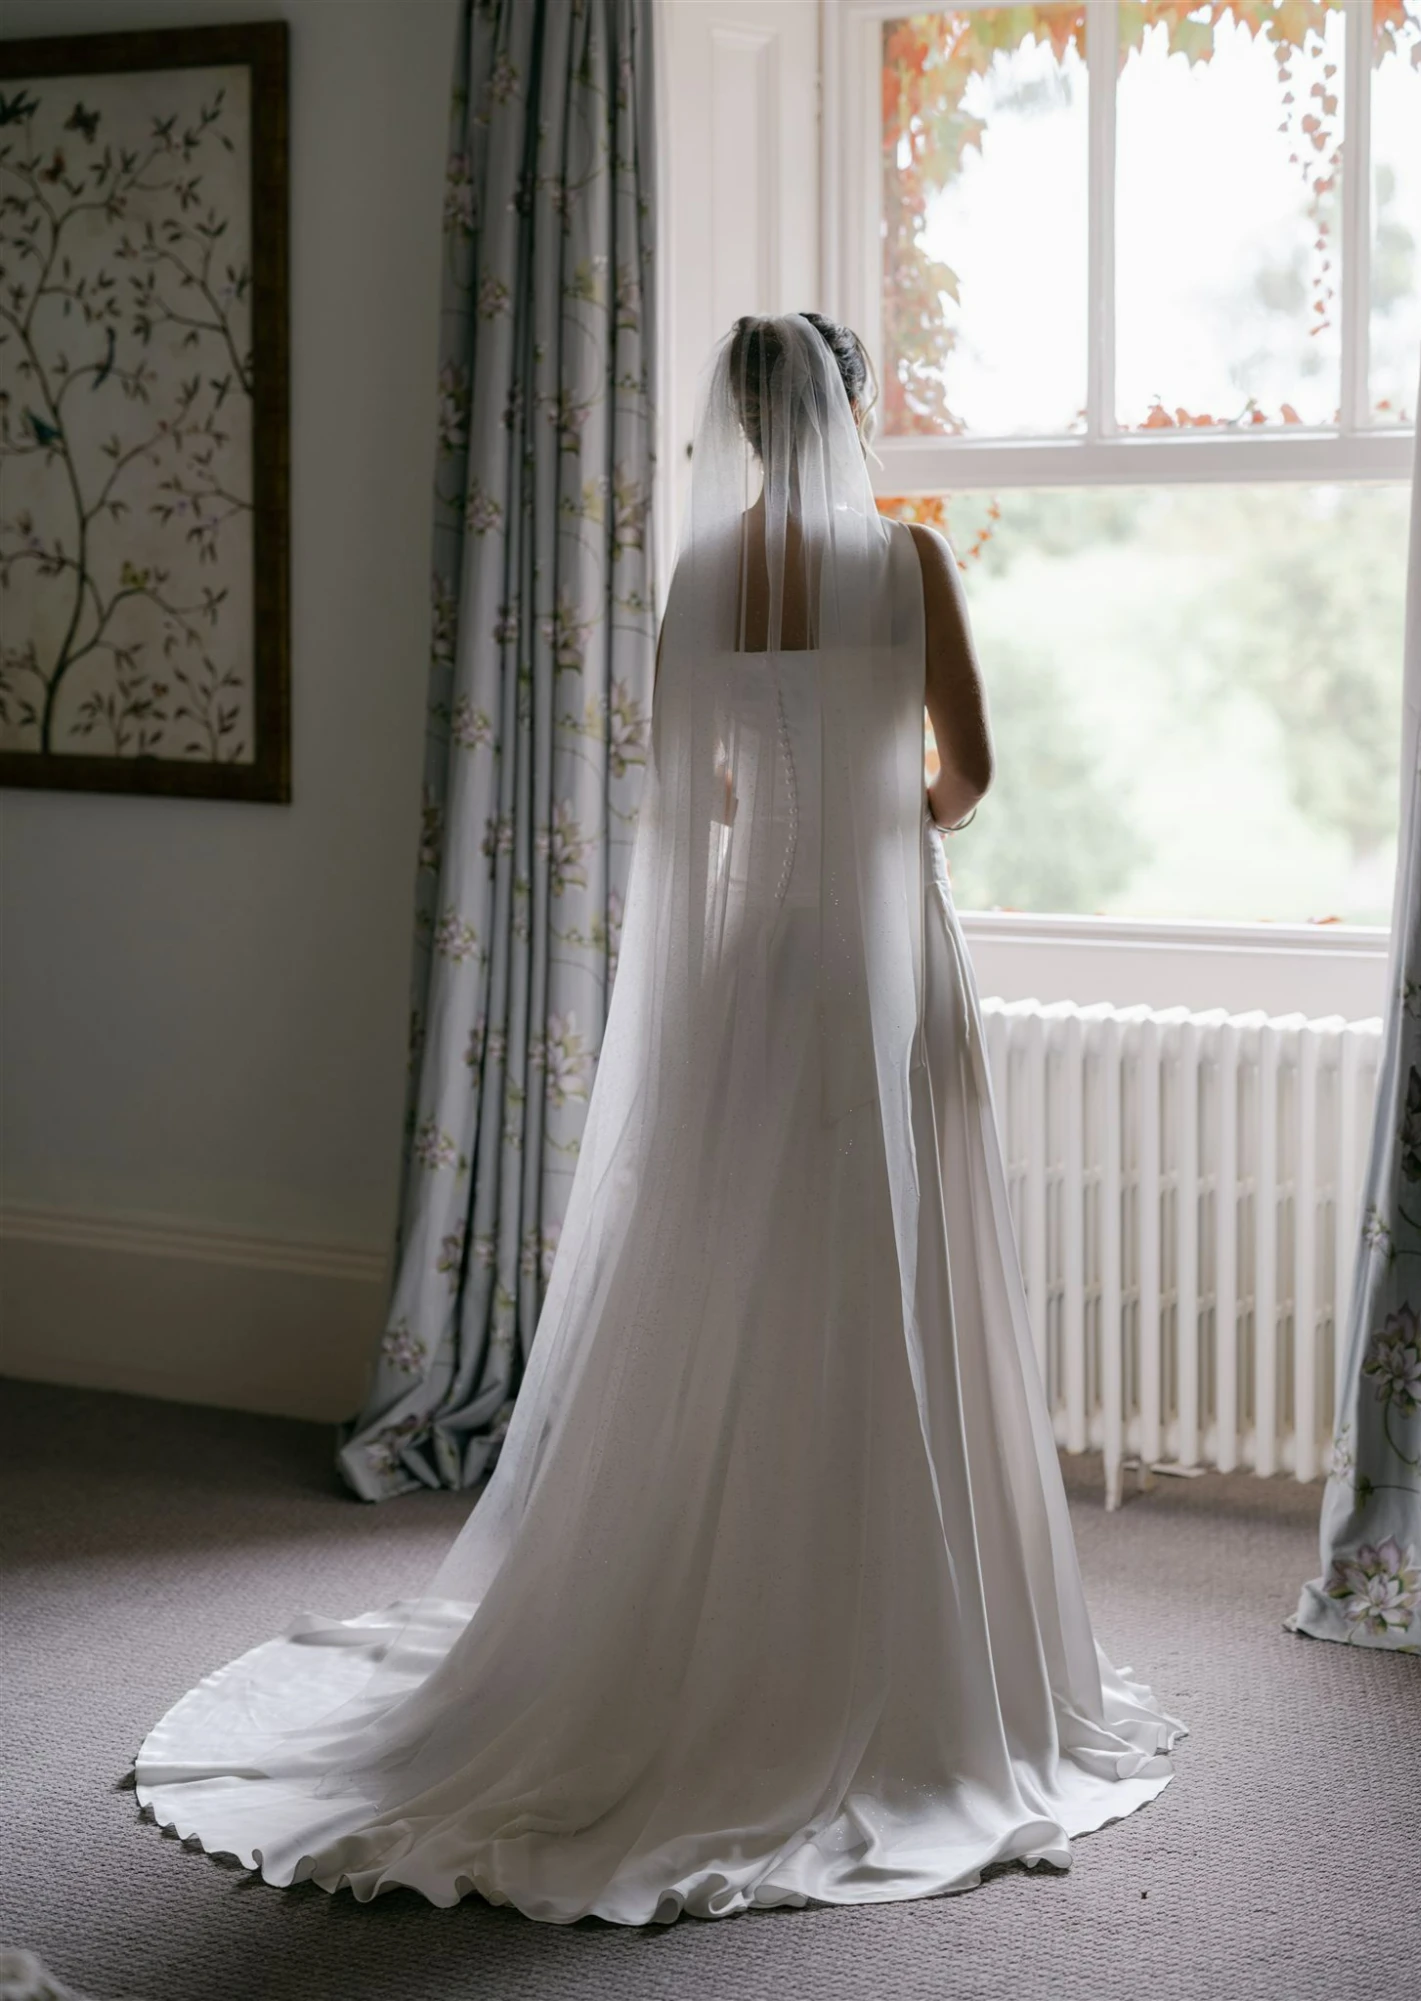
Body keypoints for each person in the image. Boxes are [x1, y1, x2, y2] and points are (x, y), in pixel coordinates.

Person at [135, 313, 1183, 1925]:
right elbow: (968, 777)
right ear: (849, 410)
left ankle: (717, 1617)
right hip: (887, 969)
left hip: (757, 969)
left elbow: (699, 791)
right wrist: (879, 815)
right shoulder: (907, 565)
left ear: (744, 424)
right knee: (895, 1280)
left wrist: (792, 815)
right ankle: (907, 1642)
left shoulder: (700, 580)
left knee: (736, 1281)